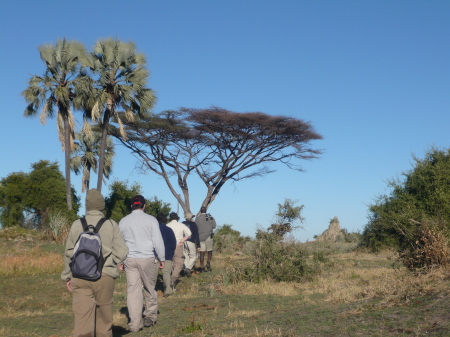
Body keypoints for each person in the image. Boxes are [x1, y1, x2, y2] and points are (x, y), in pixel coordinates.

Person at [61, 188, 129, 337]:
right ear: (102, 205)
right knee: (104, 321)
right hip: (104, 276)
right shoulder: (110, 224)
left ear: (87, 206)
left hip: (79, 276)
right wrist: (111, 261)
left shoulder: (76, 224)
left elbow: (69, 253)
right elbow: (122, 251)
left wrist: (67, 276)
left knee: (82, 320)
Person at [119, 195, 165, 332]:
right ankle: (150, 316)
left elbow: (120, 243)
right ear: (144, 206)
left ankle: (134, 323)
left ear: (131, 206)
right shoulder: (151, 220)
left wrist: (120, 261)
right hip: (147, 258)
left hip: (130, 259)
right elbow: (157, 241)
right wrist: (162, 258)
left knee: (133, 291)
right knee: (150, 288)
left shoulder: (123, 221)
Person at [166, 212, 191, 289]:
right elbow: (189, 233)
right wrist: (182, 240)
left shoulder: (167, 225)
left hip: (169, 246)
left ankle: (169, 279)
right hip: (178, 245)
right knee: (179, 263)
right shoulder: (181, 225)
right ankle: (173, 279)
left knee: (171, 262)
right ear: (177, 218)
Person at [156, 212, 177, 297]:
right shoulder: (169, 230)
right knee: (166, 273)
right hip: (167, 254)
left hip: (155, 254)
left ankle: (151, 289)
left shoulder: (154, 229)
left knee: (153, 273)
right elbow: (173, 243)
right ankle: (168, 290)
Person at [196, 206, 217, 272]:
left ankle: (202, 267)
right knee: (209, 250)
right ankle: (208, 263)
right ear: (206, 210)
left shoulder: (197, 219)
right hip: (208, 236)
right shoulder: (210, 217)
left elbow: (196, 228)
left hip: (200, 237)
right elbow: (214, 226)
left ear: (200, 211)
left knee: (202, 253)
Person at [182, 212, 200, 277]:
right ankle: (188, 268)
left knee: (186, 256)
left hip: (183, 241)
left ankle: (185, 272)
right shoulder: (193, 224)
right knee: (193, 256)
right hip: (190, 241)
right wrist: (198, 245)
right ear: (191, 218)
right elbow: (196, 235)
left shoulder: (182, 223)